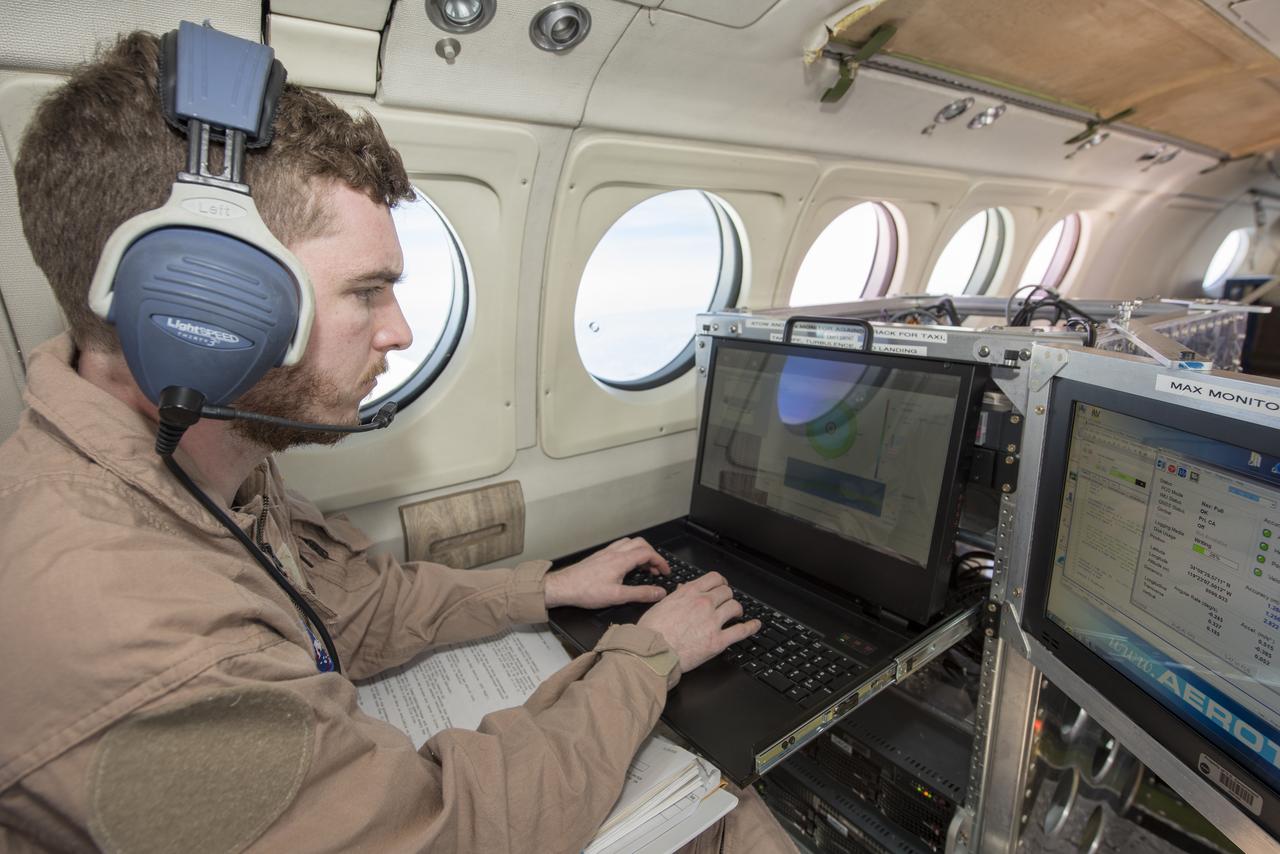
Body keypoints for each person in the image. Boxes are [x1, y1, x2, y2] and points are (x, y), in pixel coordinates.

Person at [0, 29, 799, 854]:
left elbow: (351, 607)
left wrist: (547, 589)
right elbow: (446, 834)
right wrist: (648, 658)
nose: (403, 330)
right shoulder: (121, 628)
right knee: (732, 816)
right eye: (368, 291)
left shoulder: (205, 461)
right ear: (208, 314)